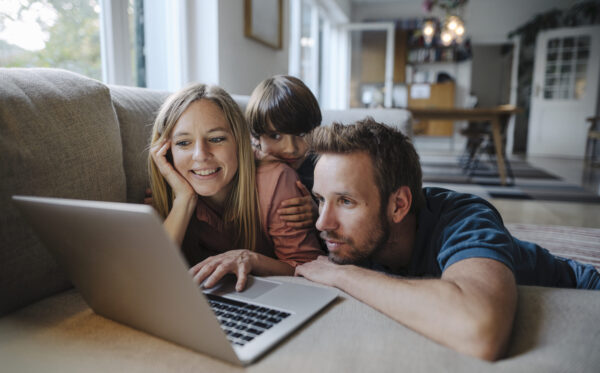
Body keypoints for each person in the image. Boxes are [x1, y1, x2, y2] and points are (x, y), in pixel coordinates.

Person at [295, 118, 600, 361]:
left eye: (346, 201)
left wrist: (342, 275)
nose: (323, 222)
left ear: (398, 205)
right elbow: (310, 266)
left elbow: (479, 330)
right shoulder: (348, 233)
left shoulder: (464, 218)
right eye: (320, 199)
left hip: (581, 293)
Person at [148, 83, 323, 292]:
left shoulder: (279, 180)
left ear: (240, 141)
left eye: (216, 139)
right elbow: (149, 280)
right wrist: (183, 201)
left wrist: (252, 260)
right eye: (183, 143)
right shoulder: (171, 187)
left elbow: (310, 270)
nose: (201, 155)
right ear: (167, 152)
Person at [245, 75, 322, 229]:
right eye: (275, 136)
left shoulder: (322, 167)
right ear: (256, 138)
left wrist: (319, 214)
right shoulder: (245, 169)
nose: (291, 148)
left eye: (301, 134)